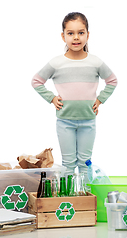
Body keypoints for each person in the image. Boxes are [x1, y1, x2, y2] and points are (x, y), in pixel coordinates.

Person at [31, 12, 117, 176]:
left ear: (88, 35)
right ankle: (68, 199)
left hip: (88, 121)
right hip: (65, 122)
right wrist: (52, 98)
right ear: (63, 36)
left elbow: (112, 80)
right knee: (68, 164)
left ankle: (85, 199)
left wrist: (99, 100)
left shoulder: (95, 62)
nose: (76, 37)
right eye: (70, 33)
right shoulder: (56, 63)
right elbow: (36, 81)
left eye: (81, 32)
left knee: (85, 163)